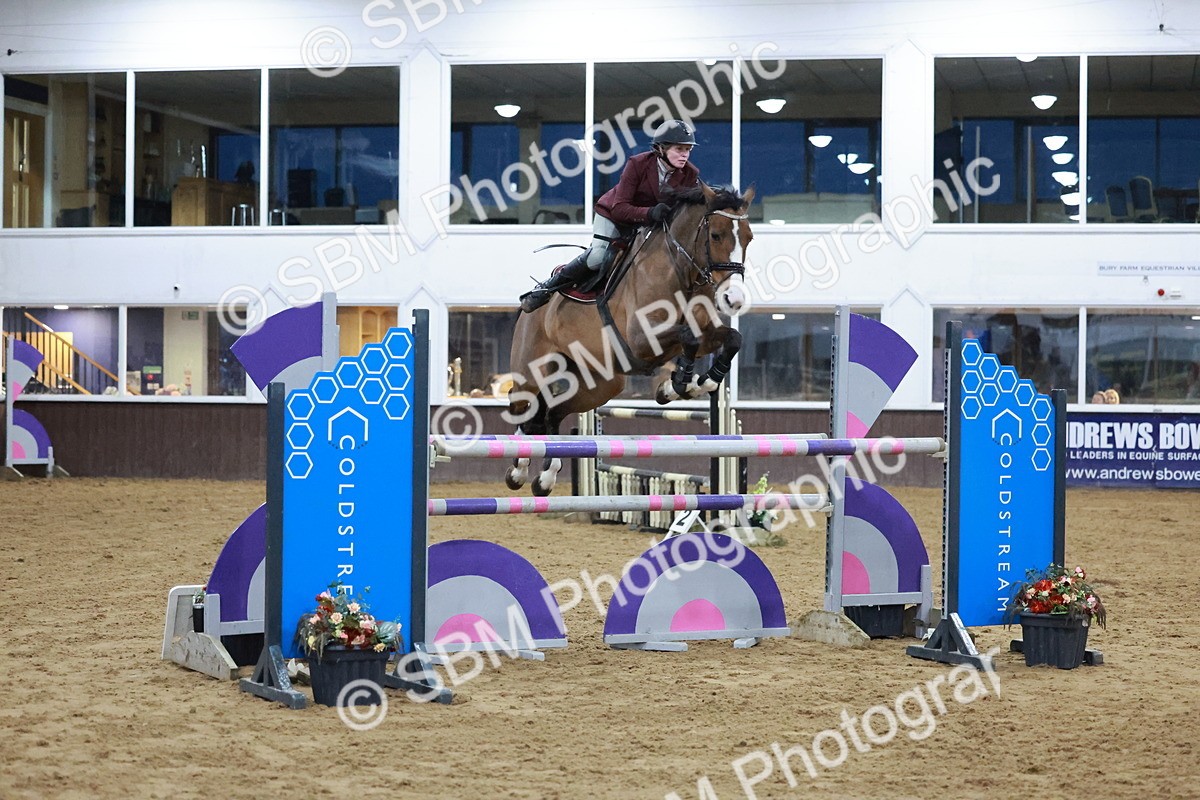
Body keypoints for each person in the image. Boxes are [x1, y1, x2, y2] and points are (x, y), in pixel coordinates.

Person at [519, 119, 701, 313]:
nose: (684, 155)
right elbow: (620, 208)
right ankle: (548, 287)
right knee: (598, 257)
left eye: (688, 150)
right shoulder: (638, 164)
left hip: (647, 226)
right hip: (614, 217)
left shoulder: (690, 174)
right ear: (661, 148)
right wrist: (649, 212)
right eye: (679, 149)